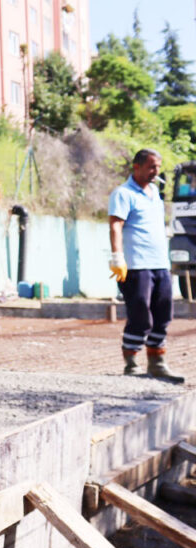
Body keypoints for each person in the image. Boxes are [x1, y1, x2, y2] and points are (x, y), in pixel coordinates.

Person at [109, 148, 183, 383]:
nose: (155, 171)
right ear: (137, 167)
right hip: (136, 265)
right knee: (141, 314)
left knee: (163, 314)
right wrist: (117, 257)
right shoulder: (123, 194)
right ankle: (131, 363)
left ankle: (157, 363)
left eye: (158, 167)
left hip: (160, 264)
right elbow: (116, 226)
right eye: (151, 166)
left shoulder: (155, 194)